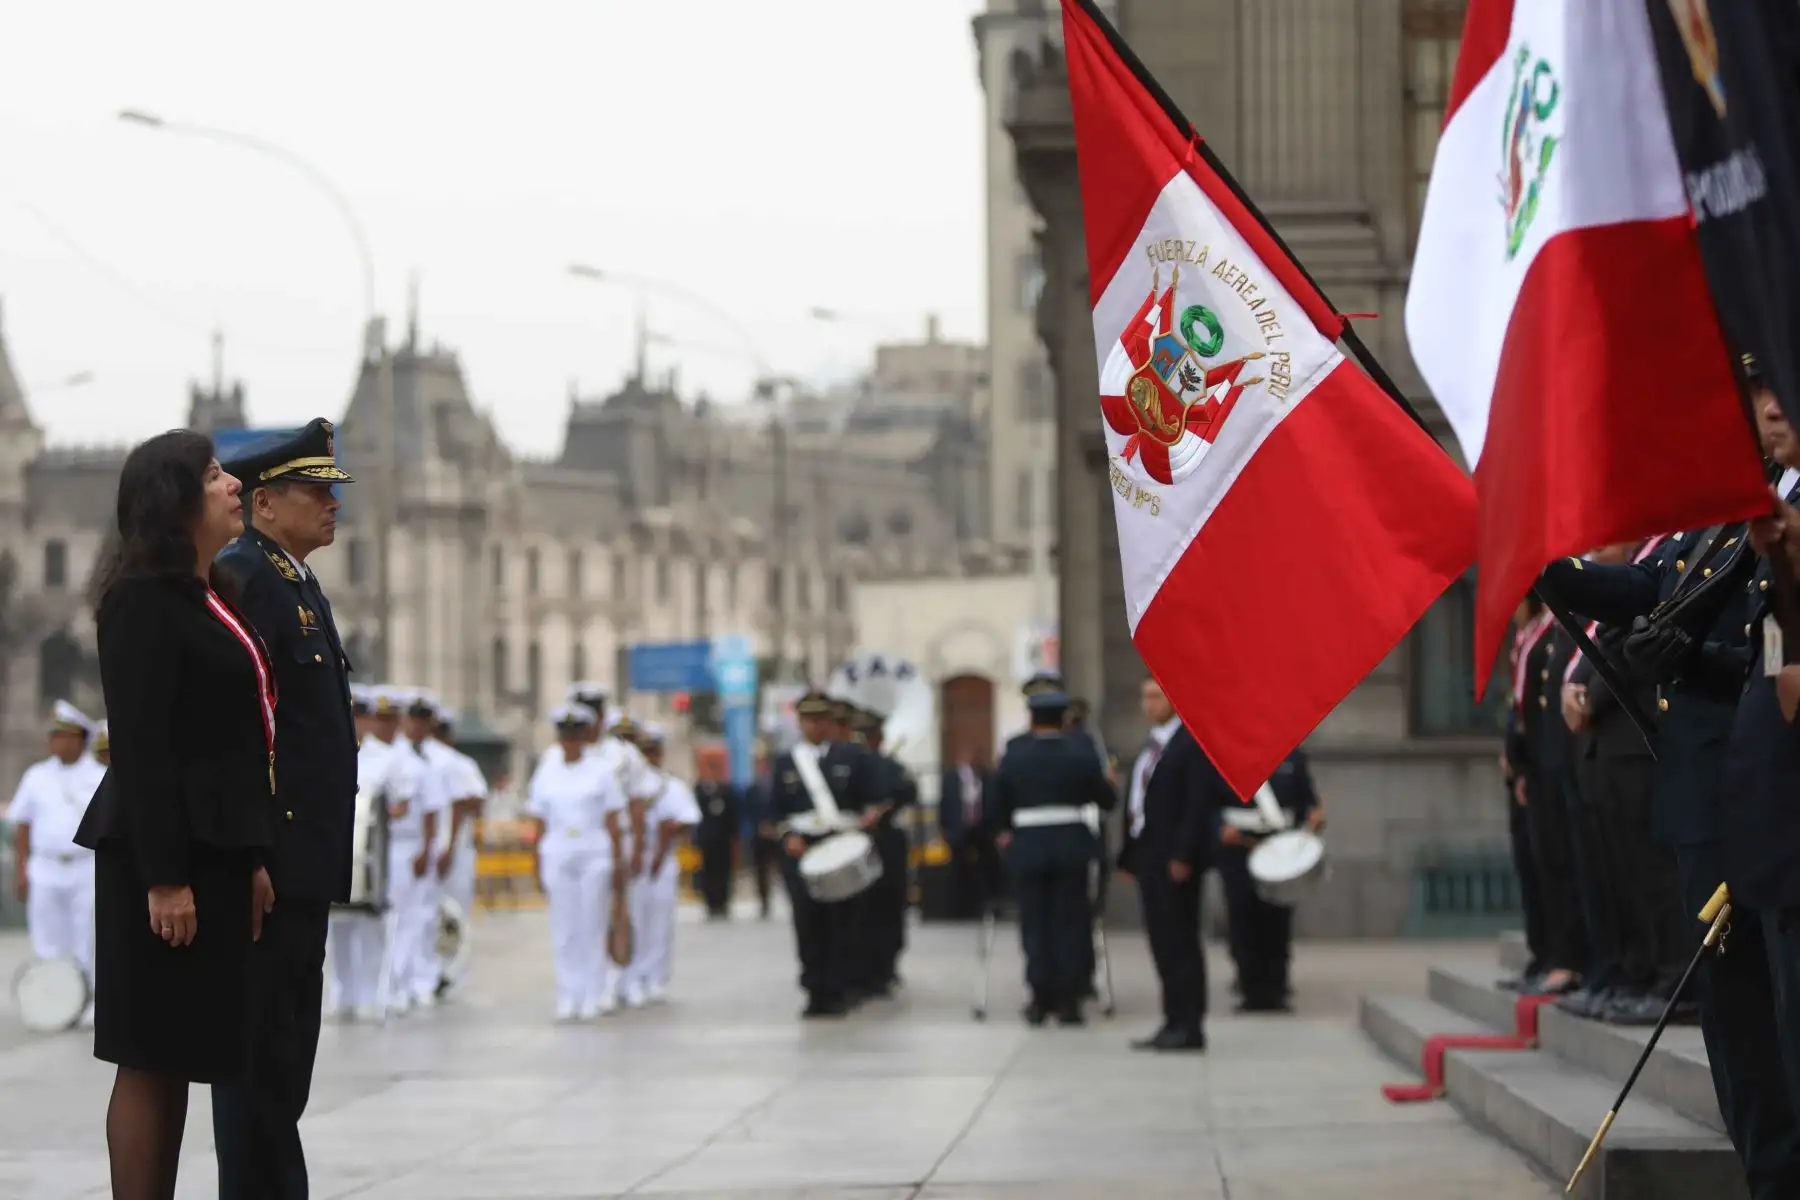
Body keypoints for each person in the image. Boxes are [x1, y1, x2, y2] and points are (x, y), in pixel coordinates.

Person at [1537, 352, 1800, 1196]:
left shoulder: (1777, 516)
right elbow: (1645, 583)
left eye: (1776, 394)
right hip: (1708, 796)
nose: (1766, 413)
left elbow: (1770, 640)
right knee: (1735, 1012)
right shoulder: (1724, 512)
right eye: (1755, 399)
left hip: (1768, 786)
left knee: (1781, 999)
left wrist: (1703, 654)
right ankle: (1768, 1169)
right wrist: (1538, 560)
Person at [73, 429, 277, 1200]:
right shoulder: (141, 603)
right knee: (150, 1053)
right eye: (216, 474)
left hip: (215, 852)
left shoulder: (214, 595)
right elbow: (145, 747)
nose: (234, 486)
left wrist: (251, 856)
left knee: (183, 1048)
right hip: (158, 860)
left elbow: (235, 738)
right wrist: (165, 879)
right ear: (174, 500)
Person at [207, 417, 359, 1199]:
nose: (334, 505)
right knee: (256, 1056)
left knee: (286, 1054)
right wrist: (254, 854)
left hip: (306, 862)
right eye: (316, 491)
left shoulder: (292, 579)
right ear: (265, 502)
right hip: (274, 862)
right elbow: (239, 732)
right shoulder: (244, 577)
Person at [994, 689, 1117, 1024]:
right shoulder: (1081, 752)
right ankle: (1069, 1000)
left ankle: (1039, 997)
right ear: (1064, 720)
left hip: (1029, 845)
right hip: (1071, 846)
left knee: (1035, 924)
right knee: (1071, 923)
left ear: (1032, 719)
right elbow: (1106, 799)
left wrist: (1006, 831)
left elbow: (998, 802)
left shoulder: (1015, 753)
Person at [770, 690, 880, 1018]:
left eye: (821, 719)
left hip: (841, 842)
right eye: (808, 720)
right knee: (807, 922)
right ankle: (814, 988)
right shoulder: (786, 762)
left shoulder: (852, 758)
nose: (815, 726)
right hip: (802, 848)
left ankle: (840, 987)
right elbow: (774, 810)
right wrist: (787, 835)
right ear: (799, 723)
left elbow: (871, 801)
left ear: (830, 722)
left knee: (843, 922)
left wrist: (868, 819)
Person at [1116, 676, 1209, 1052]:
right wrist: (1129, 853)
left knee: (1181, 940)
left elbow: (1196, 805)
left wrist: (1183, 854)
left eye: (1155, 696)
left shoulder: (1189, 744)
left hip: (1174, 858)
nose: (1148, 705)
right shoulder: (1152, 745)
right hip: (1148, 855)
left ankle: (1189, 1024)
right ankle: (1171, 1019)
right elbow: (1138, 802)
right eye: (1144, 698)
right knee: (1161, 942)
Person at [524, 703, 625, 1020]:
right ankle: (569, 994)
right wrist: (534, 862)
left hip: (593, 851)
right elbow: (538, 821)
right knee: (564, 927)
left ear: (584, 737)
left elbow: (612, 819)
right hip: (557, 851)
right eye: (565, 735)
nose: (570, 741)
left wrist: (620, 861)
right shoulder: (547, 770)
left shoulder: (601, 770)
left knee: (591, 924)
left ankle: (593, 994)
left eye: (575, 735)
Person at [11, 701, 107, 1028]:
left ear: (80, 738)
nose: (53, 742)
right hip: (46, 867)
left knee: (87, 936)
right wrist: (21, 869)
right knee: (48, 938)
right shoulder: (36, 775)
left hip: (85, 866)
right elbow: (22, 824)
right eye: (52, 735)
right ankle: (52, 1001)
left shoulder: (99, 775)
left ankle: (91, 999)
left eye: (61, 735)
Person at [1213, 748, 1324, 1013]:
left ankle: (1277, 987)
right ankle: (1250, 986)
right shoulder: (1224, 754)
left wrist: (1313, 815)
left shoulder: (1293, 756)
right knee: (1242, 914)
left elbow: (1305, 799)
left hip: (1279, 845)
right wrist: (1218, 828)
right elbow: (1207, 802)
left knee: (1277, 916)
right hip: (1239, 847)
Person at [625, 722, 700, 1003]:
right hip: (632, 860)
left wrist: (662, 847)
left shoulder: (671, 786)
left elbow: (686, 820)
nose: (650, 757)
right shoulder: (625, 783)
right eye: (645, 751)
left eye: (654, 751)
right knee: (633, 921)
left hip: (661, 860)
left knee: (659, 923)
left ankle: (655, 978)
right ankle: (631, 978)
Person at [854, 706, 916, 998]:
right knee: (861, 910)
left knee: (890, 906)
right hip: (857, 842)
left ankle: (886, 967)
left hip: (887, 841)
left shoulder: (892, 767)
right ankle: (864, 970)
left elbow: (908, 792)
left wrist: (886, 806)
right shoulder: (851, 764)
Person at [430, 704, 487, 995]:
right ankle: (437, 971)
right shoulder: (426, 761)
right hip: (438, 848)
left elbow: (473, 802)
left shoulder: (459, 764)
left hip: (454, 850)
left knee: (453, 914)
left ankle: (448, 972)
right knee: (437, 914)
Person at [939, 750, 998, 921]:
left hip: (981, 828)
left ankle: (984, 903)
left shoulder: (986, 777)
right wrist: (944, 828)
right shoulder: (951, 778)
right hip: (958, 828)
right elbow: (945, 803)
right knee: (958, 866)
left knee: (985, 866)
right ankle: (959, 906)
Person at [692, 743, 739, 919]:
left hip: (723, 839)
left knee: (724, 871)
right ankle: (711, 903)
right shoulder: (700, 790)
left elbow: (734, 815)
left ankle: (723, 902)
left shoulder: (727, 790)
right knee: (707, 871)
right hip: (707, 838)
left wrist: (734, 836)